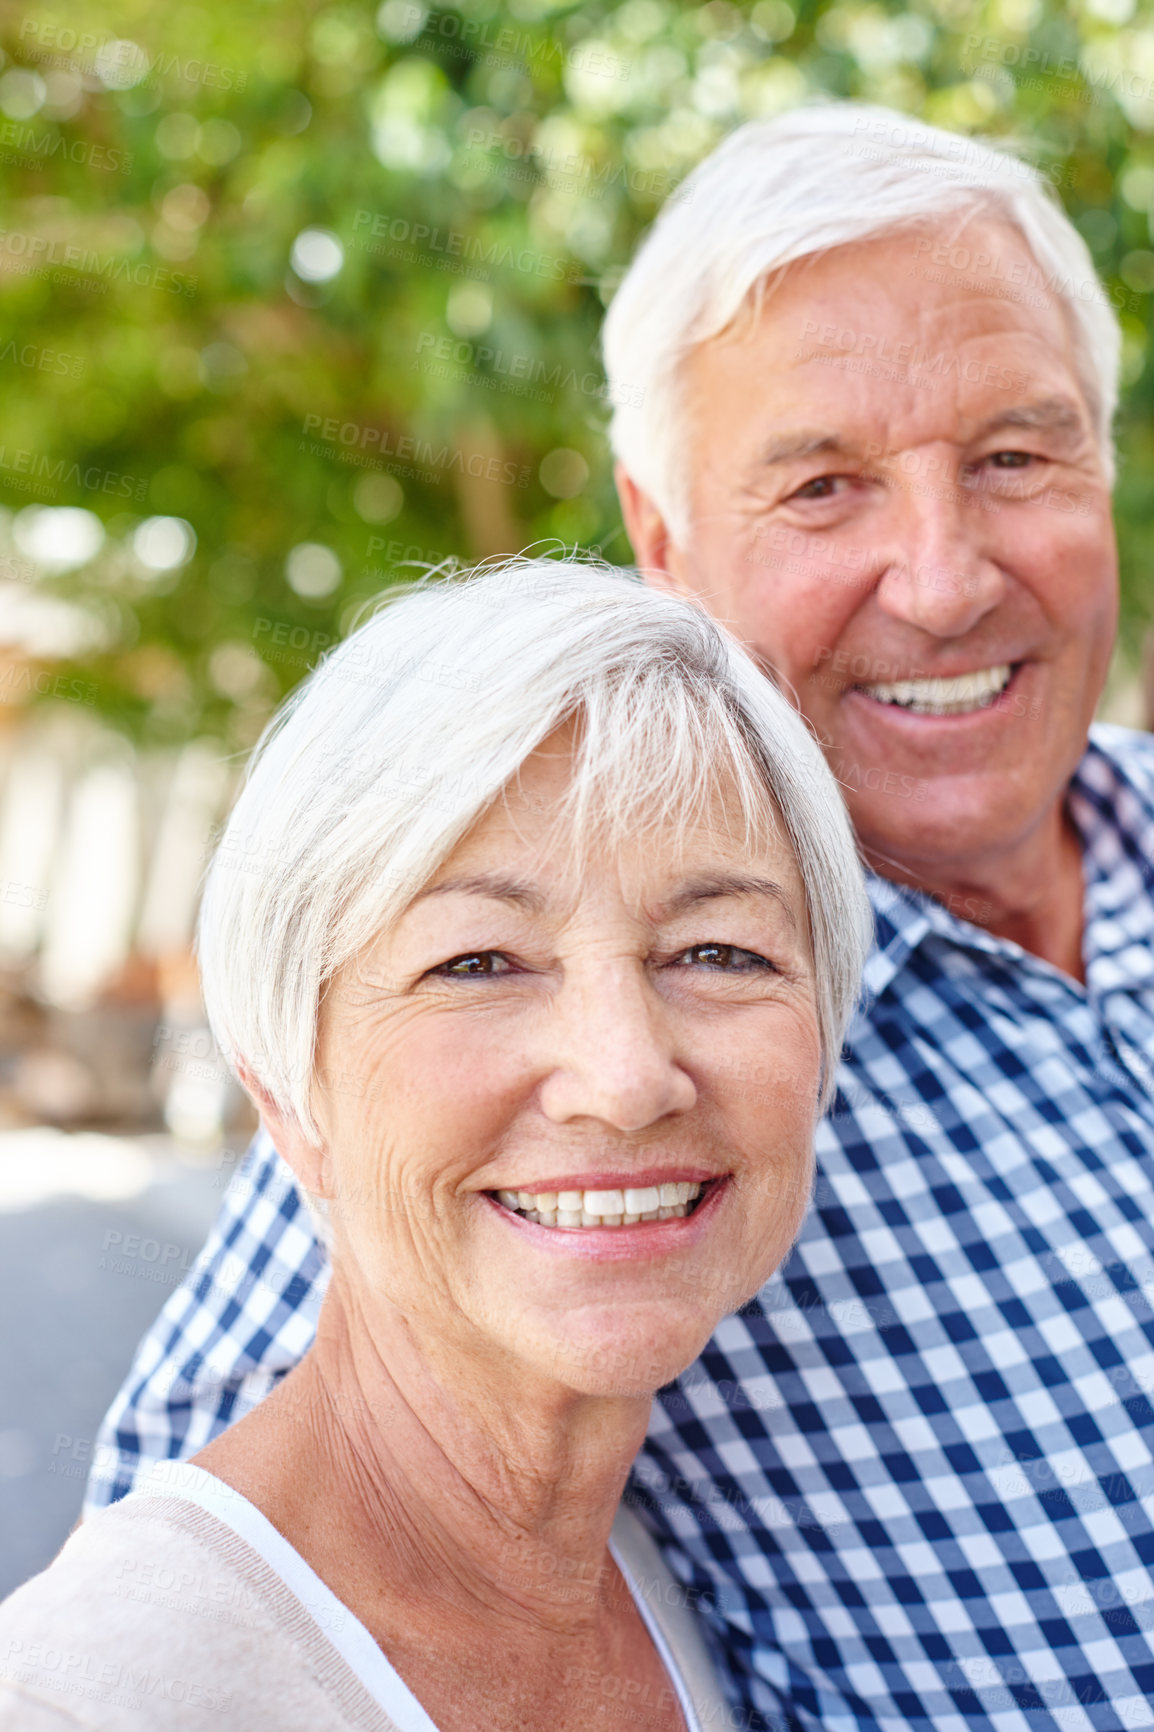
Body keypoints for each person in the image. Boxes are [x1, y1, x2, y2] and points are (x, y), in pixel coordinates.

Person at [84, 101, 1154, 1730]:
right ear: (662, 543)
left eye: (1014, 454)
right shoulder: (623, 1051)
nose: (940, 579)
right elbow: (224, 1599)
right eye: (820, 487)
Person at [0, 560, 870, 1730]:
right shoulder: (92, 1696)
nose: (622, 1079)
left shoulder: (666, 1578)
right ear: (286, 1093)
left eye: (718, 952)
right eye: (476, 962)